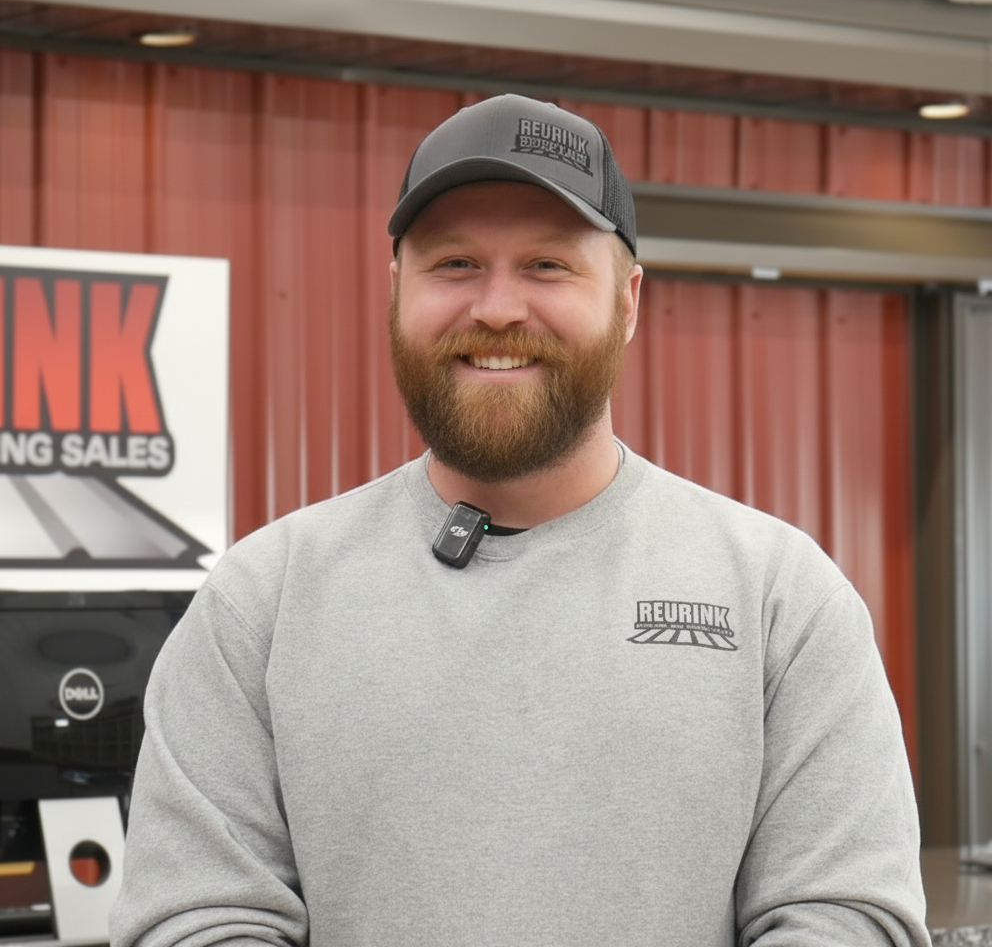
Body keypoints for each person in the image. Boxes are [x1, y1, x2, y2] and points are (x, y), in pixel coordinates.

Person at [110, 93, 930, 947]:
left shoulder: (779, 599)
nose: (497, 308)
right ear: (397, 290)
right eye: (455, 263)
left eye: (547, 265)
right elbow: (197, 919)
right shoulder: (262, 603)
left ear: (628, 301)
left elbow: (846, 915)